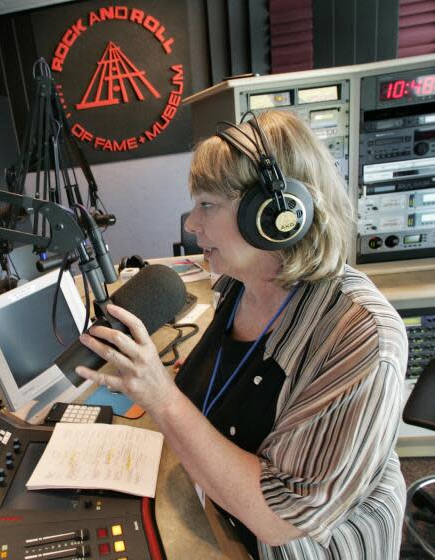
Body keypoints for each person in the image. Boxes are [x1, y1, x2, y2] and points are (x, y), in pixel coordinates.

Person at [75, 110, 408, 559]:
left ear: (274, 215)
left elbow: (280, 519)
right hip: (215, 507)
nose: (191, 224)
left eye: (207, 205)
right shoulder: (237, 284)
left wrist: (162, 397)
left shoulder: (361, 336)